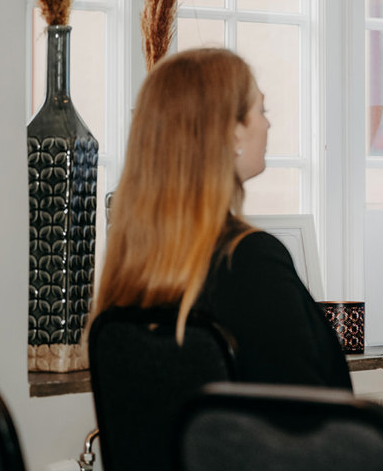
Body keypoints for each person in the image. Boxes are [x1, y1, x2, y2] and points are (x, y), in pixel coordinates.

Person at [92, 48, 352, 390]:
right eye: (261, 110)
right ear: (232, 135)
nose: (268, 123)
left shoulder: (131, 270)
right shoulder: (249, 261)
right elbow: (315, 419)